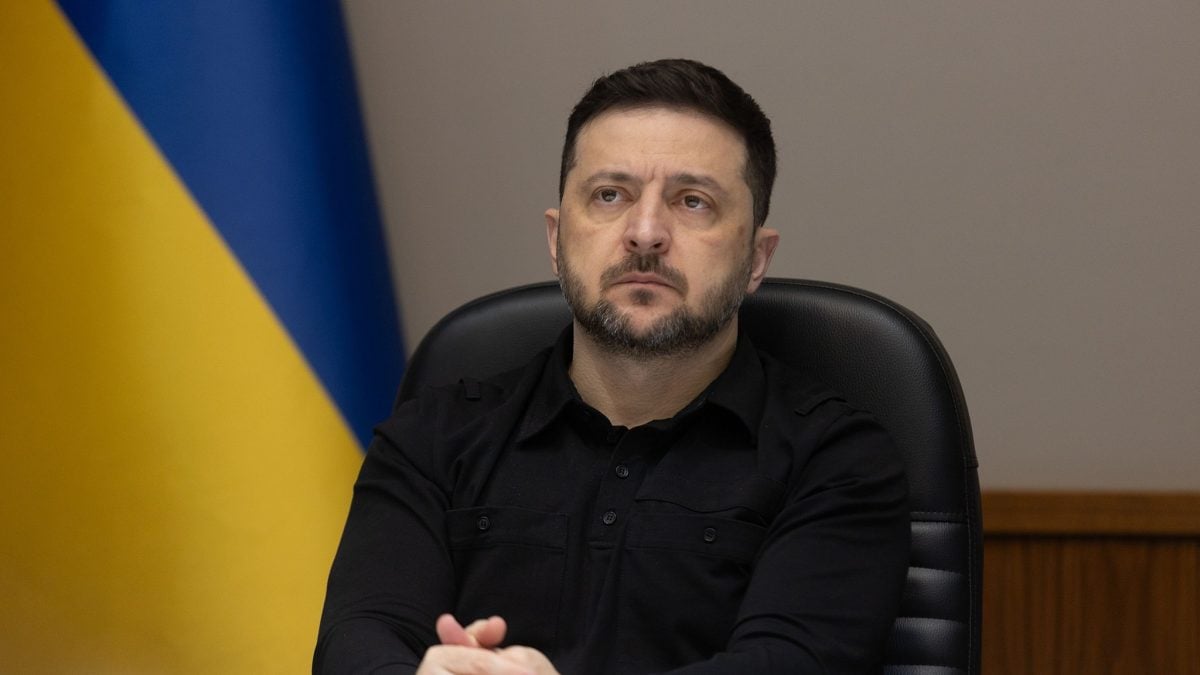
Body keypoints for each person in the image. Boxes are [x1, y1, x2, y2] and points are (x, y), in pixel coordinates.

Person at [315, 59, 909, 674]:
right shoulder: (432, 438)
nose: (645, 233)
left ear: (757, 259)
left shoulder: (836, 460)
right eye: (610, 195)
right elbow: (358, 641)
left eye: (694, 201)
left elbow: (788, 664)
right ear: (557, 240)